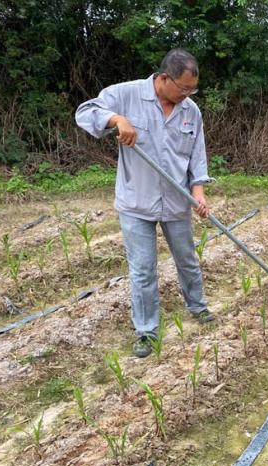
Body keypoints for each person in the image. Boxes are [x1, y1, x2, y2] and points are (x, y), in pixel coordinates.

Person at [75, 48, 214, 358]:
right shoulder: (126, 95)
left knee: (187, 259)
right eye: (184, 87)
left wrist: (199, 193)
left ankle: (198, 306)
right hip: (136, 201)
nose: (188, 94)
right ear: (164, 78)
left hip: (177, 200)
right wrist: (116, 118)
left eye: (193, 88)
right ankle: (147, 331)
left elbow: (197, 157)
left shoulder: (191, 111)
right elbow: (85, 112)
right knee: (142, 270)